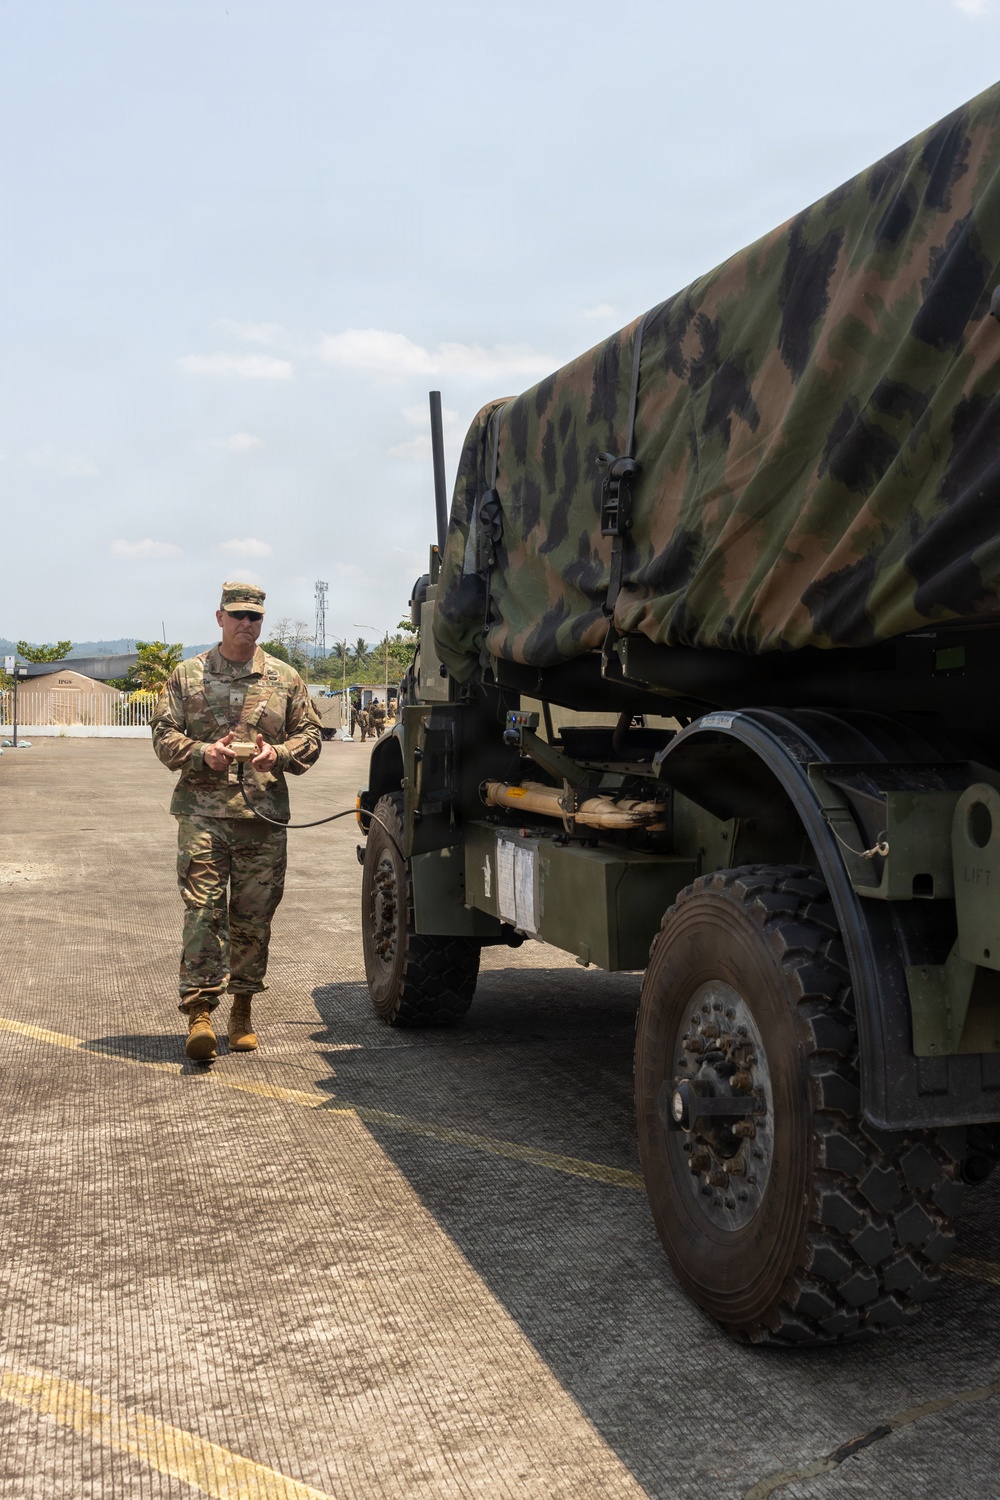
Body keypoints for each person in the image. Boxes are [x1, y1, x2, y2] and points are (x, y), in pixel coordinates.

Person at [151, 582, 322, 1061]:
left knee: (253, 918)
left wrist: (280, 753)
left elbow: (310, 735)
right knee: (202, 910)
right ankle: (201, 1012)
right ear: (219, 617)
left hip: (262, 819)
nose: (247, 624)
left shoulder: (284, 678)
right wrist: (203, 752)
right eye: (238, 615)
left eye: (255, 617)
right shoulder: (187, 675)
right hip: (202, 815)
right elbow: (163, 734)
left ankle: (242, 1009)